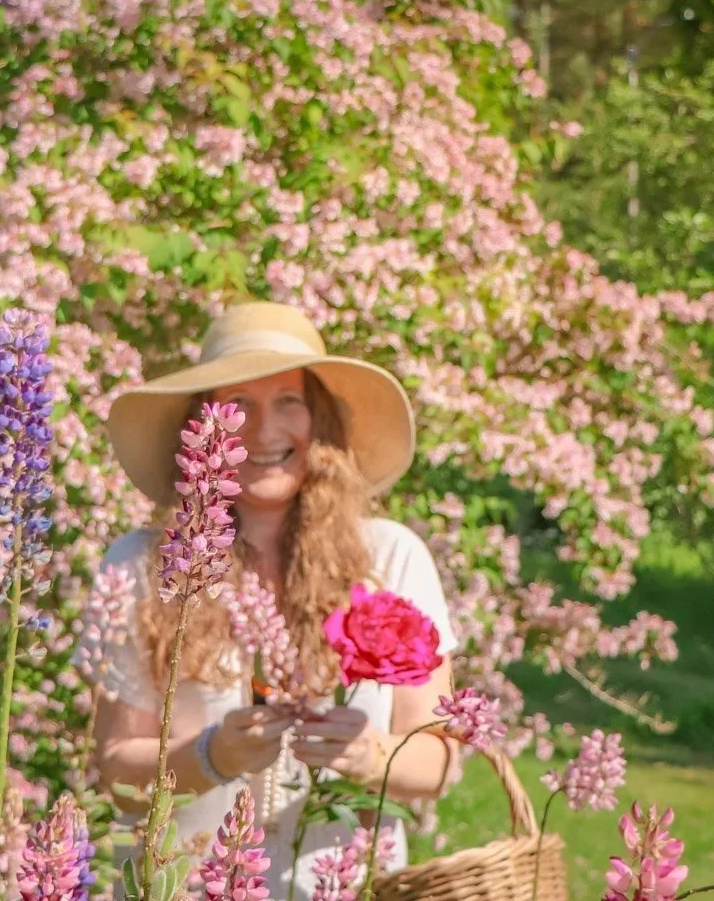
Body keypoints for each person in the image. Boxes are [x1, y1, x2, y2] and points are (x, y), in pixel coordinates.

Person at [85, 301, 460, 898]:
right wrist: (211, 756)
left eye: (288, 402)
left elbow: (439, 761)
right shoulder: (141, 564)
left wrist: (371, 755)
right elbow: (113, 767)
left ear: (320, 422)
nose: (262, 432)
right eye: (238, 406)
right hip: (183, 883)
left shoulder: (389, 557)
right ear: (202, 427)